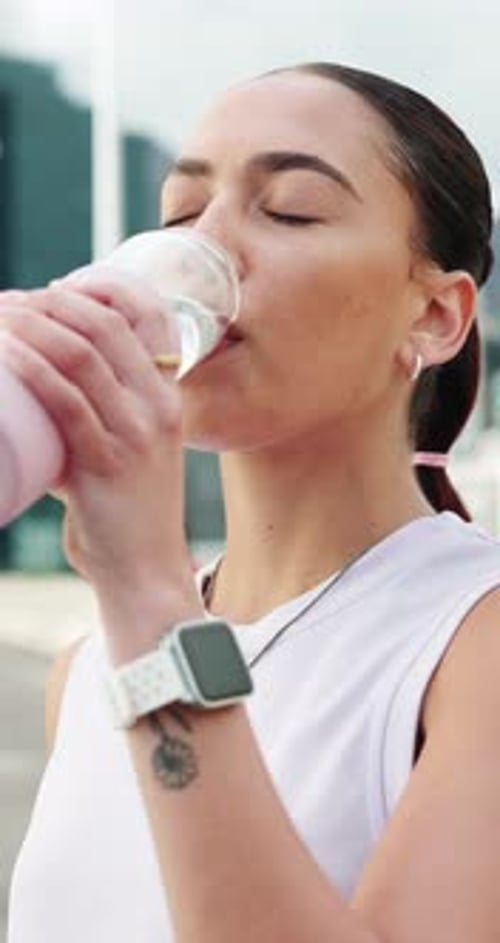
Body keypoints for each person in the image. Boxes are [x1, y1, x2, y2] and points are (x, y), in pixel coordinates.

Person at [5, 62, 500, 943]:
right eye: (181, 215)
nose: (208, 249)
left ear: (434, 317)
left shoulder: (471, 641)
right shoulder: (86, 673)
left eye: (290, 210)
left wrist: (149, 596)